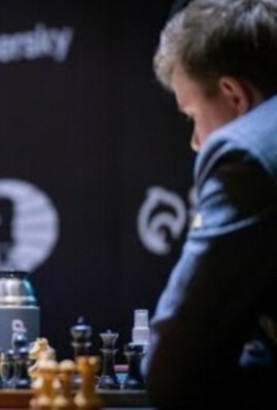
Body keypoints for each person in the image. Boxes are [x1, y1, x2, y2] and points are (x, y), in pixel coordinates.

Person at [142, 0, 277, 407]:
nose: (196, 142)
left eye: (191, 116)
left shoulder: (246, 153)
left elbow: (173, 372)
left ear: (234, 95)